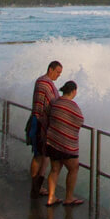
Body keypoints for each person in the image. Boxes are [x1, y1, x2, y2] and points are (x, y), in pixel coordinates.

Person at [44, 80, 84, 207]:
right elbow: (80, 121)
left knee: (55, 169)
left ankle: (51, 197)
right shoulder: (73, 106)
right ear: (73, 91)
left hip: (53, 140)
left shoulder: (56, 102)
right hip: (66, 144)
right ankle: (69, 198)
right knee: (74, 168)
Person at [27, 60, 62, 197]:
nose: (59, 75)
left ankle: (37, 186)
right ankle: (34, 188)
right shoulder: (45, 83)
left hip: (41, 121)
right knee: (38, 155)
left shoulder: (45, 82)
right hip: (39, 121)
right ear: (50, 69)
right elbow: (53, 102)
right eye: (58, 72)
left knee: (44, 155)